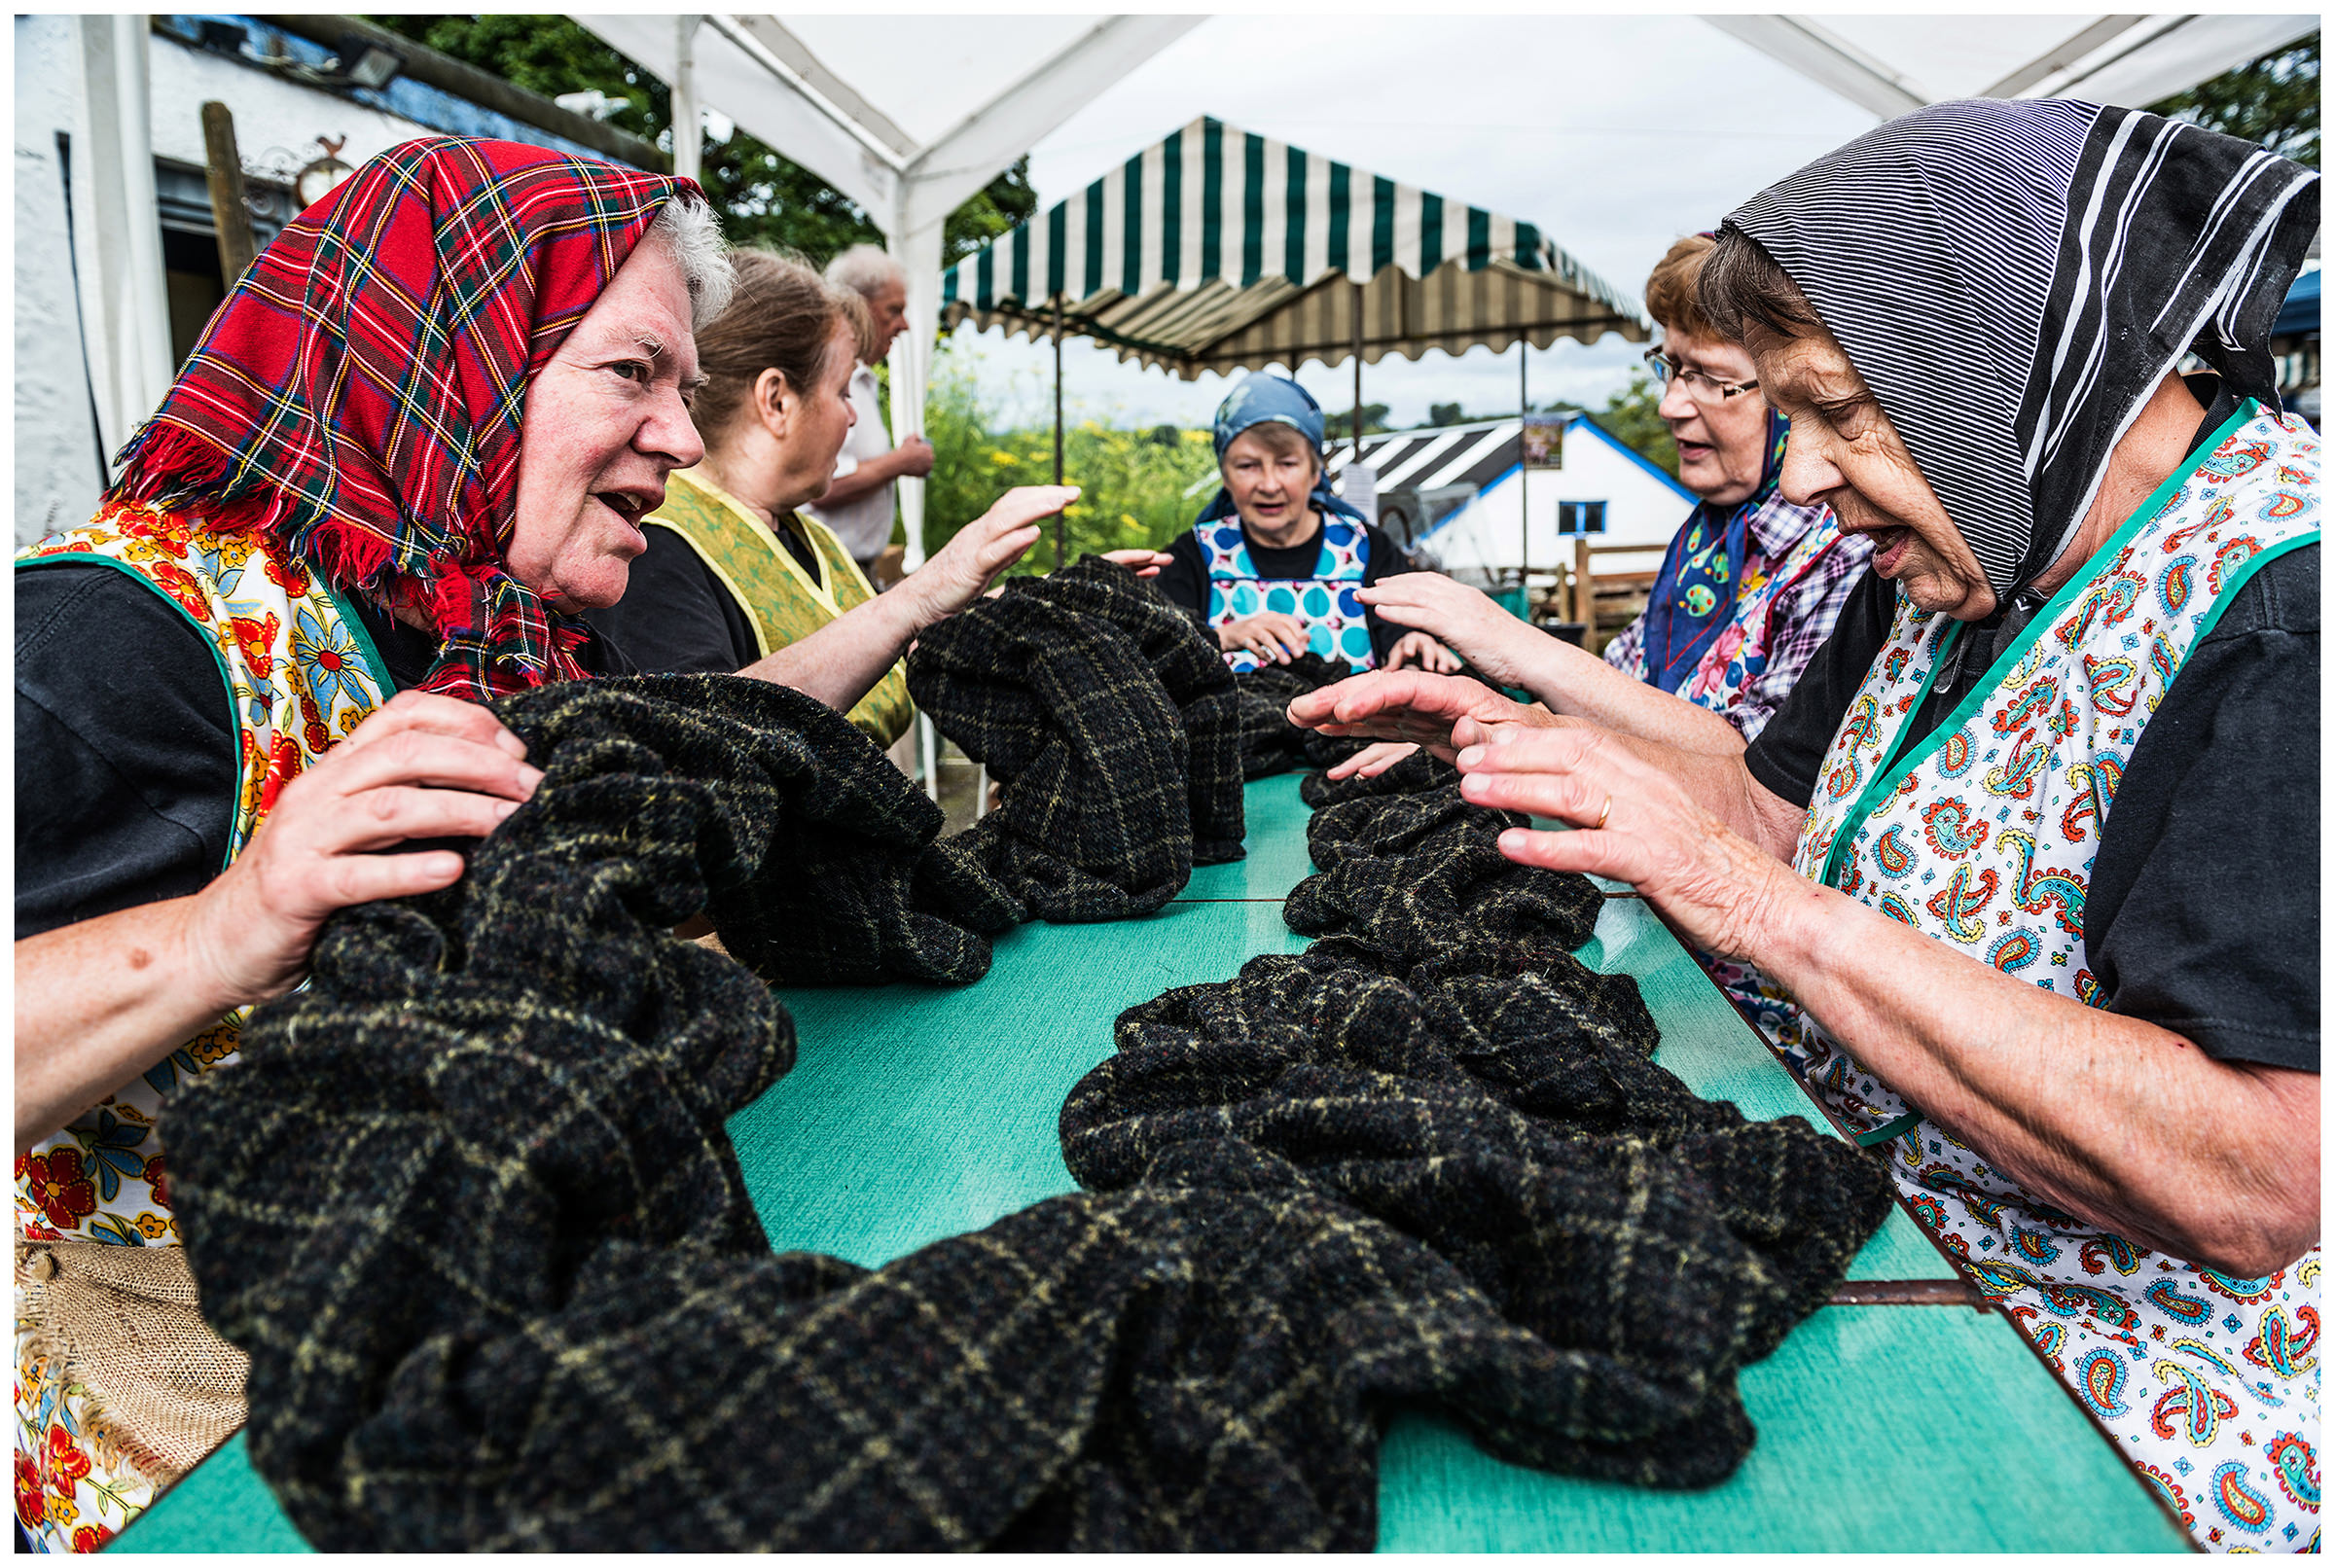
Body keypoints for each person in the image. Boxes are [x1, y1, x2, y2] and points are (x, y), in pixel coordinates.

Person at [1286, 100, 2318, 1551]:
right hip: (1881, 1226)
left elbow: (2257, 1180)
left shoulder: (2284, 616)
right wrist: (1522, 741)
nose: (1804, 475)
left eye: (1840, 409)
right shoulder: (1972, 545)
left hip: (2108, 1387)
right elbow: (1768, 812)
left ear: (2000, 358)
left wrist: (1756, 907)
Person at [12, 137, 737, 1552]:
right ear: (449, 360)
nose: (686, 440)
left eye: (688, 391)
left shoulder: (490, 631)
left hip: (453, 1368)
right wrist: (225, 929)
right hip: (185, 1446)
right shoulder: (107, 638)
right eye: (631, 373)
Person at [1328, 232, 1868, 780]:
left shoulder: (1851, 550)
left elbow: (1765, 774)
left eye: (1706, 376)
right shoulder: (1706, 539)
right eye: (1671, 368)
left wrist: (1516, 643)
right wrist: (1475, 731)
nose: (1669, 405)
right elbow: (1621, 685)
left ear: (1787, 392)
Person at [585, 249, 1071, 746]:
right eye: (842, 392)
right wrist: (920, 594)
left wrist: (1026, 609)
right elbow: (694, 739)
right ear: (776, 400)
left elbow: (884, 644)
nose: (852, 416)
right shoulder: (650, 548)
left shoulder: (806, 536)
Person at [1153, 374, 1458, 674]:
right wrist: (1221, 637)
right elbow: (1155, 652)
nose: (1269, 485)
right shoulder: (1194, 556)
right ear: (1225, 476)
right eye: (1247, 466)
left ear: (1315, 472)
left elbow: (1402, 637)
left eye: (1287, 464)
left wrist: (1414, 645)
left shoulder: (1368, 549)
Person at [802, 244, 934, 581]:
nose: (904, 324)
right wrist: (902, 461)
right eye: (894, 310)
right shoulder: (826, 376)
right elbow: (823, 486)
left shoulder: (862, 379)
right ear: (857, 305)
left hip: (850, 568)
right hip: (828, 570)